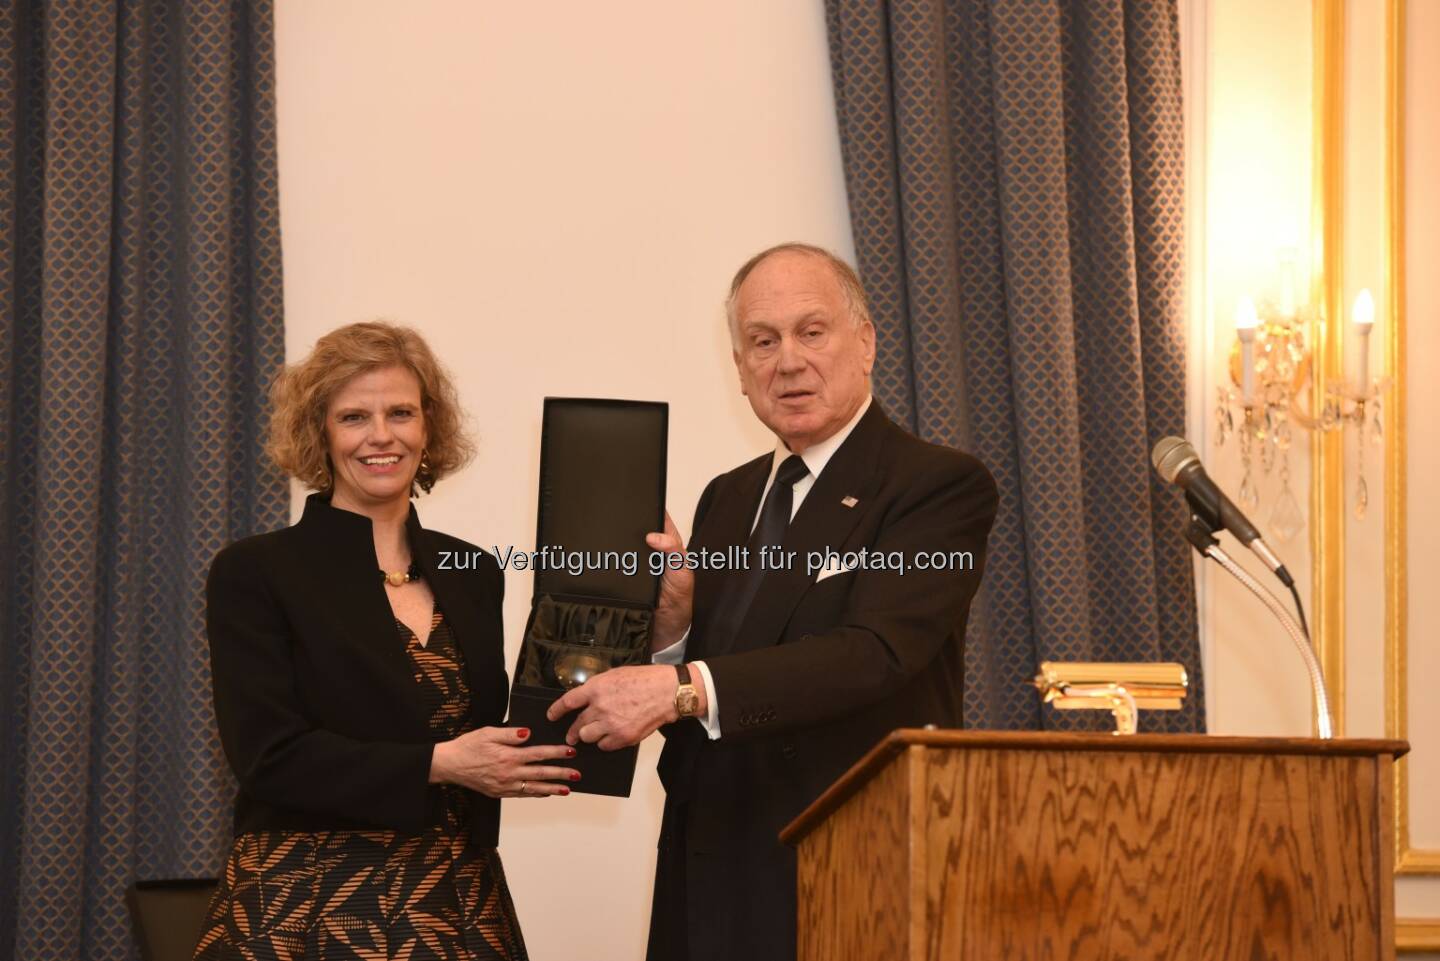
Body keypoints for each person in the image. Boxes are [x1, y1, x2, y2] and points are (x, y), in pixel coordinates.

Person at [547, 243, 999, 961]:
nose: (787, 360)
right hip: (708, 859)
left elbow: (873, 654)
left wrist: (678, 684)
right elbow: (712, 685)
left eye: (811, 331)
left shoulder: (934, 485)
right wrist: (673, 632)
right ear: (740, 369)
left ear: (866, 341)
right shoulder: (727, 496)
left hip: (847, 862)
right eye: (763, 340)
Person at [195, 321, 577, 960]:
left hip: (456, 900)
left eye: (400, 412)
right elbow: (268, 757)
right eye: (354, 417)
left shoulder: (474, 571)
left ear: (428, 428)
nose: (381, 436)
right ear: (320, 432)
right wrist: (442, 763)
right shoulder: (255, 571)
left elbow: (500, 723)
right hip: (308, 902)